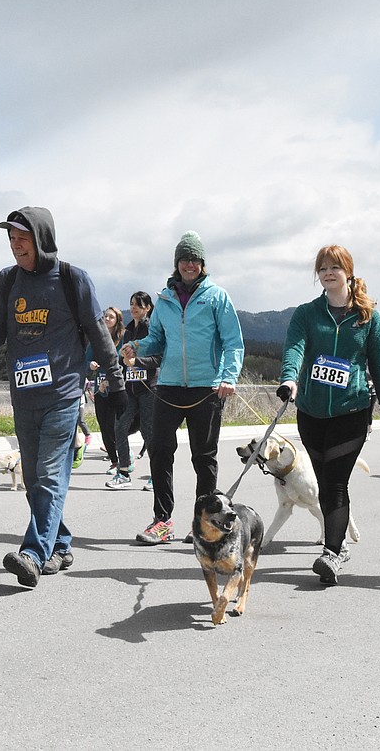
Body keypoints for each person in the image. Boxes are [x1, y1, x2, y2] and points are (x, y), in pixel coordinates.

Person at [0, 207, 127, 588]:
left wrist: (117, 382)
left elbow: (99, 333)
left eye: (23, 240)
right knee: (34, 480)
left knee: (49, 475)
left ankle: (33, 553)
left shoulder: (71, 279)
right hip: (24, 396)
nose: (16, 247)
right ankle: (61, 544)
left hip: (64, 394)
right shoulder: (7, 281)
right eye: (12, 240)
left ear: (42, 239)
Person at [276, 245, 380, 585]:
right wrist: (290, 378)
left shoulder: (368, 317)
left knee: (336, 481)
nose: (328, 272)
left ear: (349, 272)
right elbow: (295, 349)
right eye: (323, 268)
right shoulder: (306, 314)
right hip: (312, 411)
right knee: (325, 482)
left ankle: (332, 552)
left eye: (335, 267)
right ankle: (337, 544)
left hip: (352, 410)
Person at [123, 231, 244, 545]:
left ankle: (203, 523)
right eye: (184, 259)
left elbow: (233, 343)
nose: (189, 264)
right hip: (169, 386)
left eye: (195, 259)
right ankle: (162, 521)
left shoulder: (217, 296)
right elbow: (157, 341)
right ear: (176, 263)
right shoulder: (164, 299)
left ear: (202, 264)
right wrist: (136, 346)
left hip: (208, 388)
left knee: (203, 457)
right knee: (160, 451)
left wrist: (228, 377)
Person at [106, 291, 160, 490]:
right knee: (119, 427)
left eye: (138, 304)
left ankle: (156, 475)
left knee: (148, 431)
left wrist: (138, 361)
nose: (134, 307)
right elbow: (122, 360)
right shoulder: (128, 330)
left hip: (149, 388)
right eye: (131, 304)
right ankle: (124, 471)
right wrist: (123, 359)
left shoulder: (152, 329)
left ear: (147, 308)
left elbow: (157, 359)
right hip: (129, 388)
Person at [89, 306, 126, 474]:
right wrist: (91, 365)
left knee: (116, 425)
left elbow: (125, 362)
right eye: (105, 316)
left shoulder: (124, 339)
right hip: (100, 387)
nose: (107, 319)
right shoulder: (96, 339)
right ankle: (114, 461)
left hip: (118, 387)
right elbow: (86, 359)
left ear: (117, 320)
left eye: (111, 317)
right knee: (103, 424)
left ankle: (124, 457)